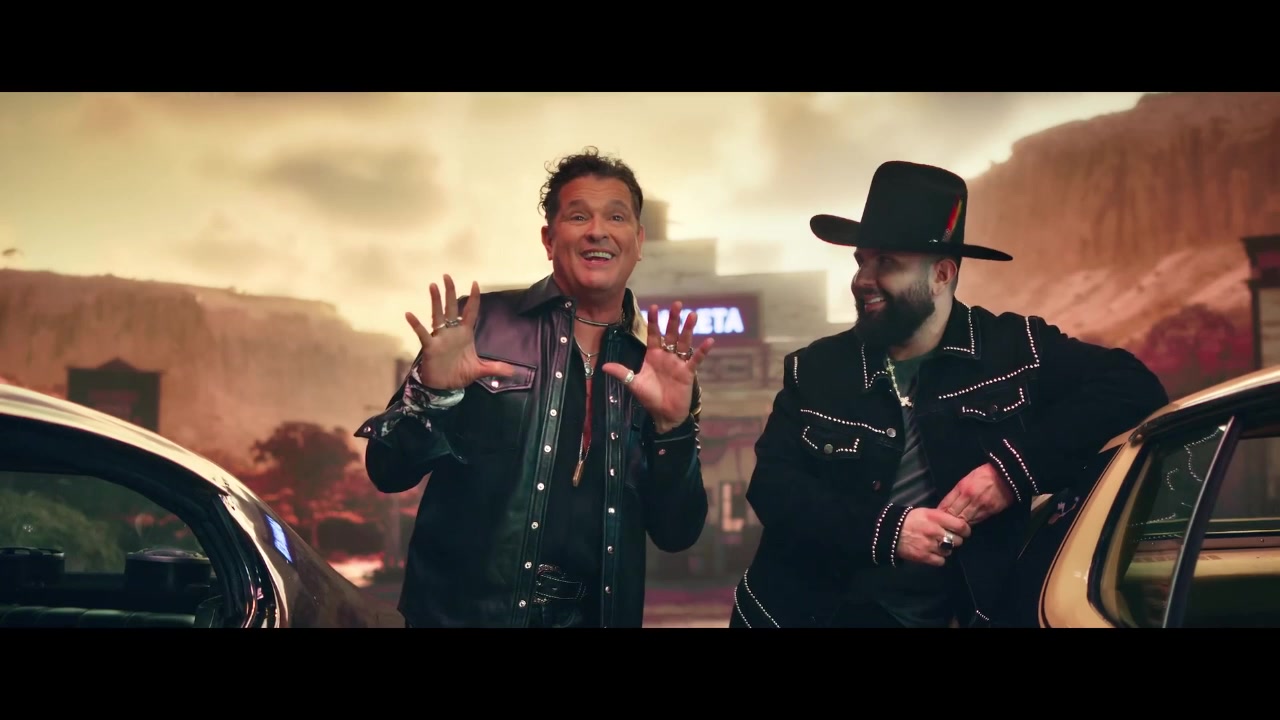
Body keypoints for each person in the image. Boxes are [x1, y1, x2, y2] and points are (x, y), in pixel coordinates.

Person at [728, 160, 1169, 628]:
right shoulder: (816, 368)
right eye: (861, 261)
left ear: (941, 274)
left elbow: (1133, 385)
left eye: (886, 263)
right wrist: (889, 532)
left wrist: (1009, 473)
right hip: (804, 616)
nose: (862, 279)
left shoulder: (1015, 348)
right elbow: (773, 487)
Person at [354, 146, 713, 628]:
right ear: (549, 238)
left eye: (616, 217)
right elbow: (387, 471)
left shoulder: (655, 365)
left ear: (638, 239)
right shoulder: (481, 327)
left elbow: (677, 532)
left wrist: (673, 428)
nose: (598, 231)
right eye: (578, 216)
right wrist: (432, 394)